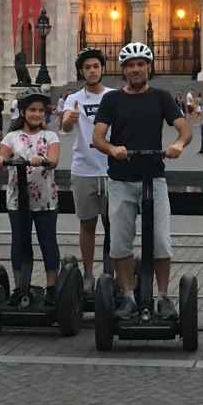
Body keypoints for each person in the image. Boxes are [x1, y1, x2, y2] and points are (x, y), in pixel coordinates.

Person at [92, 42, 192, 319]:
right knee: (120, 243)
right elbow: (98, 137)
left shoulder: (161, 97)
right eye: (130, 65)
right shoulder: (112, 100)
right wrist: (112, 149)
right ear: (124, 70)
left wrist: (178, 146)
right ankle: (127, 296)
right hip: (121, 179)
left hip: (154, 178)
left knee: (161, 241)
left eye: (141, 64)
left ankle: (162, 296)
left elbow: (184, 130)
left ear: (149, 67)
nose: (136, 69)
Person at [0, 90, 63, 303]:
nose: (36, 114)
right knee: (20, 242)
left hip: (46, 201)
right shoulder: (11, 137)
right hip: (17, 199)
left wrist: (42, 159)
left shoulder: (50, 136)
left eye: (40, 111)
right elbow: (2, 158)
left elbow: (54, 159)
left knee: (48, 242)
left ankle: (51, 288)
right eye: (32, 110)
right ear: (23, 112)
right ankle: (20, 287)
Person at [62, 48, 113, 295]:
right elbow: (65, 126)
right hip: (84, 169)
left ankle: (110, 273)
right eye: (87, 67)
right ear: (81, 72)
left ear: (102, 68)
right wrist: (69, 120)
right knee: (88, 225)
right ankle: (89, 273)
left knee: (113, 225)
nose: (92, 70)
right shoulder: (74, 99)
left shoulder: (114, 96)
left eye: (96, 66)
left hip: (113, 170)